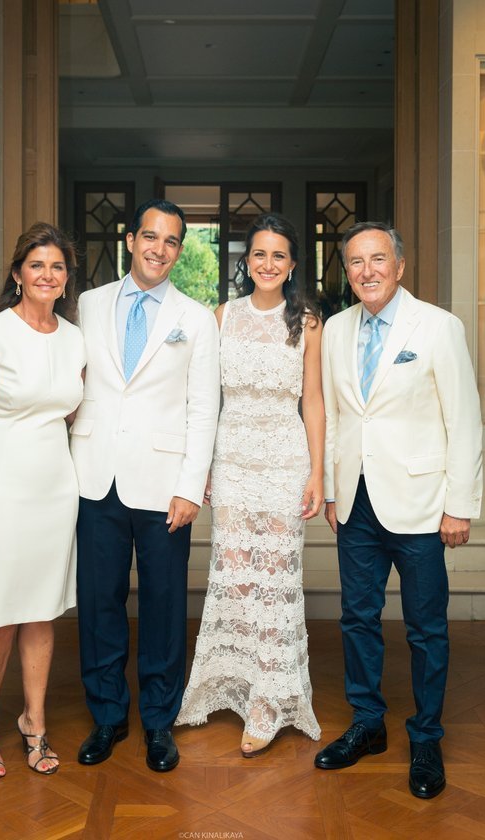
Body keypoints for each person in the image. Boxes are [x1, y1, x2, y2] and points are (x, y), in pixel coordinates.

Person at [315, 221, 483, 799]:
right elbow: (336, 415)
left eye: (378, 259)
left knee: (426, 628)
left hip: (421, 503)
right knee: (357, 619)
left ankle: (426, 737)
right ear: (347, 270)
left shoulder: (438, 326)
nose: (367, 271)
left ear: (400, 266)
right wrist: (333, 489)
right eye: (356, 261)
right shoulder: (335, 329)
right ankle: (367, 724)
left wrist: (459, 506)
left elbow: (464, 419)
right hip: (355, 502)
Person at [70, 198, 220, 773]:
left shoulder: (196, 318)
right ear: (131, 240)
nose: (160, 249)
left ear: (179, 251)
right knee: (98, 601)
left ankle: (159, 721)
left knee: (163, 603)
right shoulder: (88, 303)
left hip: (164, 483)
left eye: (172, 241)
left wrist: (190, 486)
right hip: (94, 475)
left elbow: (203, 408)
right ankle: (108, 715)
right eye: (151, 237)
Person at [175, 212, 324, 757]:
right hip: (233, 460)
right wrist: (204, 468)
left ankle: (270, 700)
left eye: (278, 255)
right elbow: (204, 397)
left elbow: (314, 400)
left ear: (292, 264)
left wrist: (317, 472)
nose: (268, 263)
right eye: (259, 253)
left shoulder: (307, 322)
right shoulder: (223, 315)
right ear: (246, 260)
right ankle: (235, 685)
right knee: (236, 578)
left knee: (275, 580)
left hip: (284, 461)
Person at [0, 222, 85, 779]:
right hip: (1, 490)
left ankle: (34, 720)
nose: (47, 275)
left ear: (66, 279)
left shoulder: (75, 338)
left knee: (40, 612)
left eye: (57, 267)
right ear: (17, 274)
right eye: (37, 265)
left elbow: (71, 411)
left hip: (55, 491)